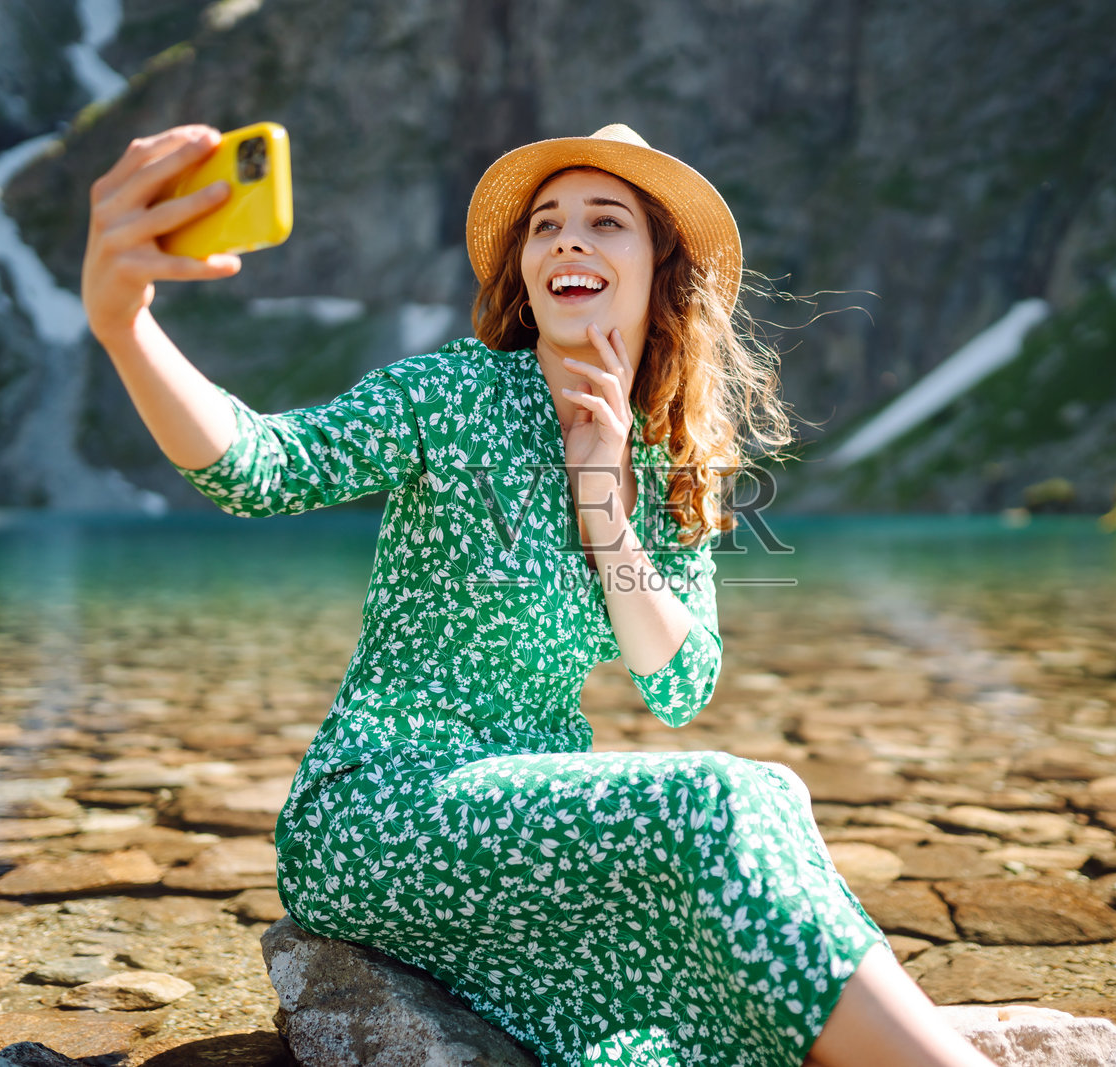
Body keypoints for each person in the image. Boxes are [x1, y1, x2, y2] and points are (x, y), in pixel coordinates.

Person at [81, 121, 998, 1067]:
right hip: (381, 808)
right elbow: (260, 468)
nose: (568, 239)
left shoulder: (663, 454)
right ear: (524, 267)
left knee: (776, 797)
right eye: (546, 223)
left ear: (660, 267)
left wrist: (603, 492)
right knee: (723, 800)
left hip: (529, 823)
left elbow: (680, 681)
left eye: (608, 222)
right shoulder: (452, 395)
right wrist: (125, 323)